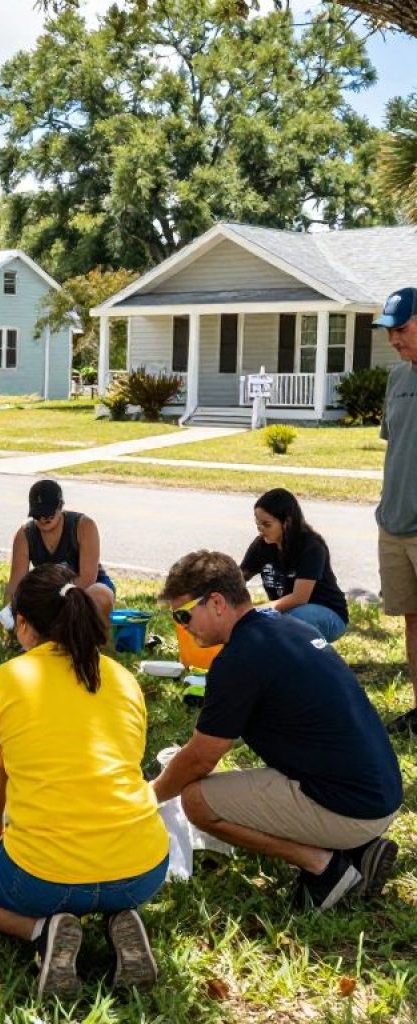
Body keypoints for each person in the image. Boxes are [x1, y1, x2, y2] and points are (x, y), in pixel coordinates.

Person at [154, 550, 402, 912]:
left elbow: (201, 759)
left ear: (217, 602)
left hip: (354, 807)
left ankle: (325, 868)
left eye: (183, 614)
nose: (182, 625)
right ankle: (358, 851)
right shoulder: (289, 627)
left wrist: (151, 795)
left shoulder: (239, 658)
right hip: (380, 795)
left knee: (195, 801)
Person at [0, 563, 169, 998]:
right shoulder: (124, 679)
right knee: (108, 884)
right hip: (144, 868)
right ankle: (120, 917)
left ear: (23, 624)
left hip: (43, 876)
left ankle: (43, 930)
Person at [374, 286, 417, 735]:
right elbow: (396, 448)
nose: (393, 340)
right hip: (394, 523)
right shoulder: (397, 379)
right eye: (390, 331)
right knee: (411, 617)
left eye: (401, 329)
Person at [0, 479, 115, 630]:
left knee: (99, 596)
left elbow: (87, 579)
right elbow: (15, 584)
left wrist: (53, 597)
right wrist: (9, 615)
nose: (42, 519)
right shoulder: (24, 535)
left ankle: (94, 642)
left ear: (60, 507)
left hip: (87, 588)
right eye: (37, 514)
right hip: (50, 591)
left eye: (48, 513)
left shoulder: (84, 526)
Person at [240, 488, 348, 642]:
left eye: (267, 524)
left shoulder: (311, 546)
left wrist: (256, 612)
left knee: (285, 624)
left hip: (329, 613)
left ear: (287, 522)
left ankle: (310, 660)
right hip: (287, 613)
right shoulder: (261, 545)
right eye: (258, 524)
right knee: (269, 626)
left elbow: (299, 598)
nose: (261, 530)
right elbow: (238, 579)